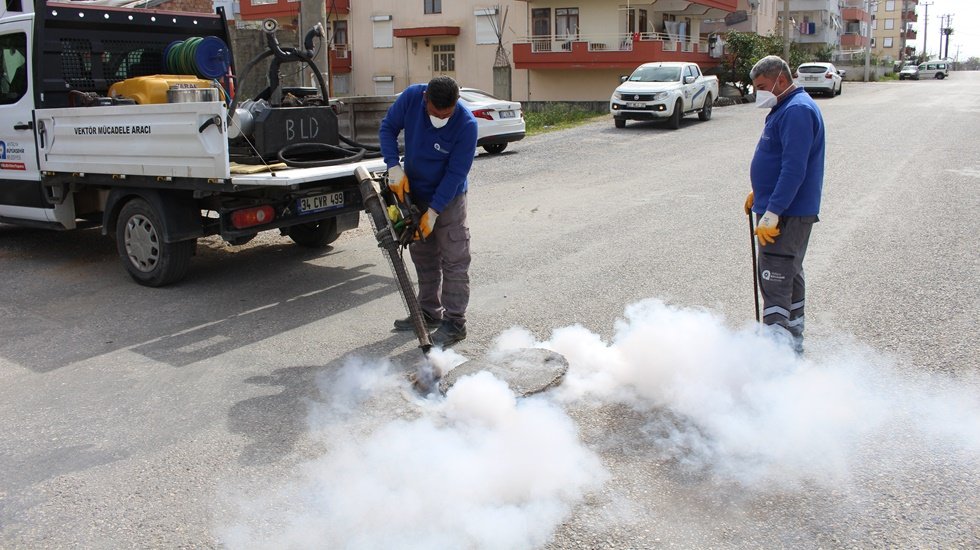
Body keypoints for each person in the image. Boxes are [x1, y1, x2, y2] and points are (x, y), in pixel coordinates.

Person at [379, 76, 478, 348]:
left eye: (446, 115)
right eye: (436, 114)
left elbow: (456, 173)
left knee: (455, 258)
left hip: (449, 196)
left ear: (457, 103)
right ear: (426, 101)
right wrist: (393, 165)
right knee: (423, 255)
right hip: (414, 192)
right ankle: (428, 312)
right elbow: (387, 128)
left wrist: (434, 212)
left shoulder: (467, 125)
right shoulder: (412, 98)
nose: (440, 119)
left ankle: (455, 322)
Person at [744, 55, 825, 354]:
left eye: (762, 86)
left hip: (787, 214)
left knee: (775, 279)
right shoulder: (786, 108)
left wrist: (773, 211)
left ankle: (775, 364)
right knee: (789, 275)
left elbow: (794, 168)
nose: (759, 93)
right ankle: (792, 350)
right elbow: (778, 160)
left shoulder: (797, 111)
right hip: (781, 208)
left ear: (780, 79)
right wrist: (760, 194)